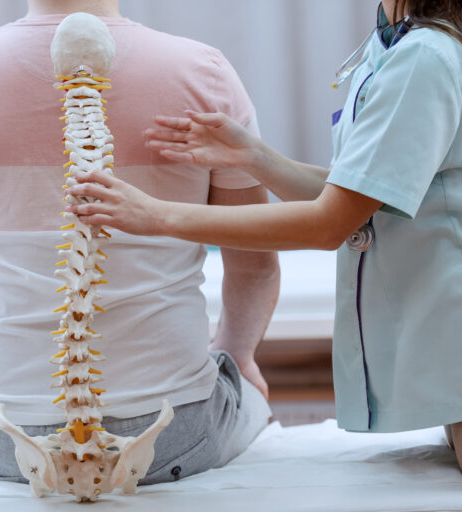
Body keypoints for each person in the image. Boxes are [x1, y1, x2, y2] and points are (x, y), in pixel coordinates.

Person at [0, 0, 279, 484]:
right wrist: (237, 357)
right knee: (244, 390)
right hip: (173, 432)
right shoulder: (205, 72)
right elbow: (255, 264)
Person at [66, 0, 462, 471]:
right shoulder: (398, 47)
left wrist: (157, 216)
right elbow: (359, 194)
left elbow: (329, 224)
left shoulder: (425, 55)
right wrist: (253, 156)